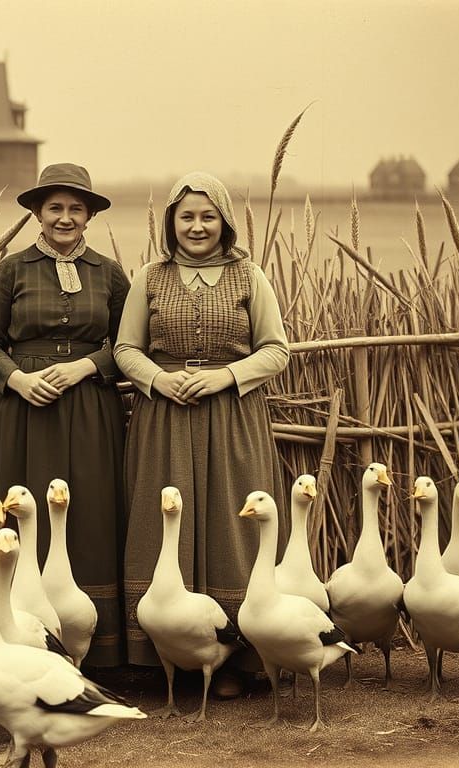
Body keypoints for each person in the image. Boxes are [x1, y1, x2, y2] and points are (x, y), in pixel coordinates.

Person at [114, 171, 290, 695]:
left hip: (233, 418)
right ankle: (167, 658)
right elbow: (125, 349)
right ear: (171, 222)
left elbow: (276, 350)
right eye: (186, 216)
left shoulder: (250, 276)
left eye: (208, 216)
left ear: (225, 222)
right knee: (164, 521)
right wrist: (159, 379)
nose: (197, 226)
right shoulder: (150, 278)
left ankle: (238, 660)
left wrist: (225, 376)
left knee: (233, 523)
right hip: (164, 418)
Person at [0, 163, 131, 668]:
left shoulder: (109, 273)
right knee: (23, 507)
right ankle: (10, 639)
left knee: (90, 511)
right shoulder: (12, 269)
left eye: (76, 209)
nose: (65, 218)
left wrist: (86, 366)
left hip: (90, 410)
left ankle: (94, 652)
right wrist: (19, 379)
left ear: (89, 216)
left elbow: (131, 346)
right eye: (55, 207)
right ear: (38, 212)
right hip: (24, 412)